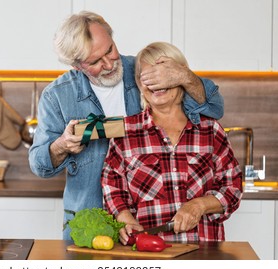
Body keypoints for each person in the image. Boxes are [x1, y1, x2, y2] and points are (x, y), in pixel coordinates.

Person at [28, 11, 224, 240]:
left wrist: (185, 76)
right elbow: (39, 165)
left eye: (110, 50)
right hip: (90, 224)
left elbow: (213, 108)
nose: (109, 64)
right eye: (95, 62)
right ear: (77, 65)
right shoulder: (57, 95)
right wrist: (62, 145)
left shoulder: (142, 70)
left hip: (147, 224)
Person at [101, 42, 242, 244]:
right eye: (147, 77)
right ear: (140, 84)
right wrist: (124, 217)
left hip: (203, 255)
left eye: (163, 75)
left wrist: (199, 205)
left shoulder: (210, 130)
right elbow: (112, 185)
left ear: (180, 76)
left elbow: (232, 187)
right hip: (147, 256)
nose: (156, 84)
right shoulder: (125, 132)